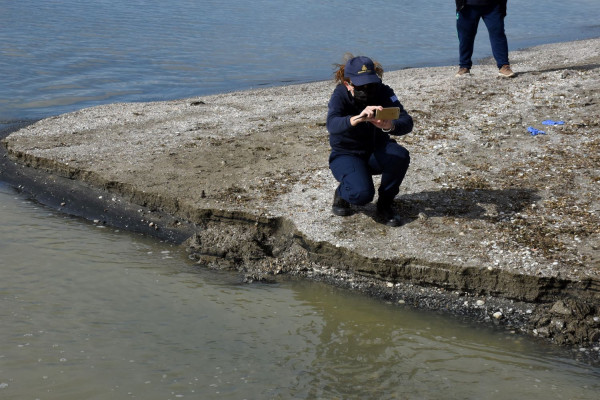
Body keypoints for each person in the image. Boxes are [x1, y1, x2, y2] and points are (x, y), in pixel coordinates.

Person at [326, 55, 413, 227]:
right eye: (360, 86)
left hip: (376, 150)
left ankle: (385, 204)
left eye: (370, 84)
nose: (366, 89)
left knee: (400, 155)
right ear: (348, 84)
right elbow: (332, 124)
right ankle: (342, 193)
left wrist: (389, 125)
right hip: (346, 154)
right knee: (362, 195)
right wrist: (357, 118)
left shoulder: (383, 92)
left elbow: (406, 121)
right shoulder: (340, 95)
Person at [455, 0, 515, 77]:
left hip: (493, 5)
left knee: (498, 34)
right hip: (466, 6)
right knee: (465, 37)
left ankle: (504, 66)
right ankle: (464, 67)